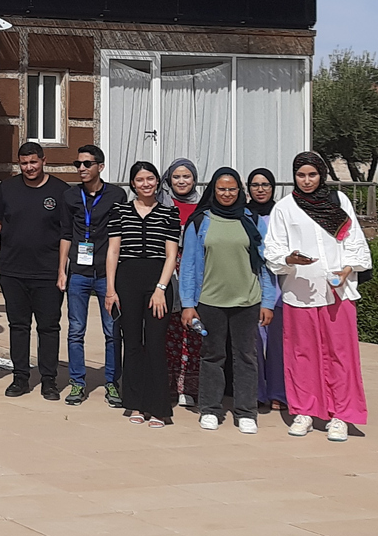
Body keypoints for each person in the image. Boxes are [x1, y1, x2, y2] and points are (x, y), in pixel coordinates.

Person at [263, 152, 371, 442]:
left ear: (321, 174)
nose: (307, 180)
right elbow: (273, 249)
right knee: (301, 354)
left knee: (341, 354)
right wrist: (290, 258)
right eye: (301, 175)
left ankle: (341, 416)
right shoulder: (286, 208)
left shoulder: (338, 202)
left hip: (337, 292)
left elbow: (355, 241)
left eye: (312, 175)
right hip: (301, 293)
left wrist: (347, 269)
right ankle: (304, 411)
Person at [178, 168, 279, 434]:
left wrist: (267, 301)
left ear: (239, 191)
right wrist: (188, 304)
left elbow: (265, 265)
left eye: (232, 189)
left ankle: (246, 412)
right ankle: (210, 408)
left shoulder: (251, 220)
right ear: (214, 190)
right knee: (212, 356)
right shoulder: (200, 221)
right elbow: (188, 265)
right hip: (210, 301)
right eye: (221, 189)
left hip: (247, 301)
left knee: (246, 357)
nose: (226, 194)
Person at [0, 142, 69, 400]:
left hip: (47, 272)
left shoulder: (60, 191)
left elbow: (66, 232)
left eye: (33, 162)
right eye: (24, 163)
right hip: (13, 270)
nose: (29, 167)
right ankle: (20, 378)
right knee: (19, 326)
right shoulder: (7, 189)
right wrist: (14, 237)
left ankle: (49, 380)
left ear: (43, 160)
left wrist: (61, 270)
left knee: (48, 327)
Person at [105, 161, 181, 427]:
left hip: (157, 281)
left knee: (156, 344)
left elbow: (171, 256)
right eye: (140, 180)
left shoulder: (170, 214)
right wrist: (111, 289)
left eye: (150, 179)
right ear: (132, 184)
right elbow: (113, 251)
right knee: (133, 343)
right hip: (127, 280)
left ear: (157, 182)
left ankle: (159, 407)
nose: (146, 184)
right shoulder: (120, 212)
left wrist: (161, 289)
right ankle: (135, 403)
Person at [57, 145, 127, 406]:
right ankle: (77, 382)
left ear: (101, 166)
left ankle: (112, 382)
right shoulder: (70, 196)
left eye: (87, 164)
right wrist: (61, 270)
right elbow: (66, 233)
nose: (82, 169)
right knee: (76, 330)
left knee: (112, 330)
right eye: (78, 164)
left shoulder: (117, 195)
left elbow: (120, 236)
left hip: (106, 274)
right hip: (78, 273)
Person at [161, 157, 203, 408]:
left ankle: (189, 386)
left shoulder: (203, 206)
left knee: (193, 331)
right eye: (176, 176)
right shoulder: (163, 204)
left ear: (194, 179)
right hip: (168, 271)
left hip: (195, 272)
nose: (181, 181)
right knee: (169, 331)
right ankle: (168, 385)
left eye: (186, 176)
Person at [246, 168, 287, 412]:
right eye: (255, 184)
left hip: (280, 287)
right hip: (252, 285)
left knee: (278, 343)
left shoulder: (282, 214)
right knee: (253, 342)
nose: (260, 189)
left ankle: (278, 393)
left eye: (265, 184)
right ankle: (257, 391)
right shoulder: (243, 214)